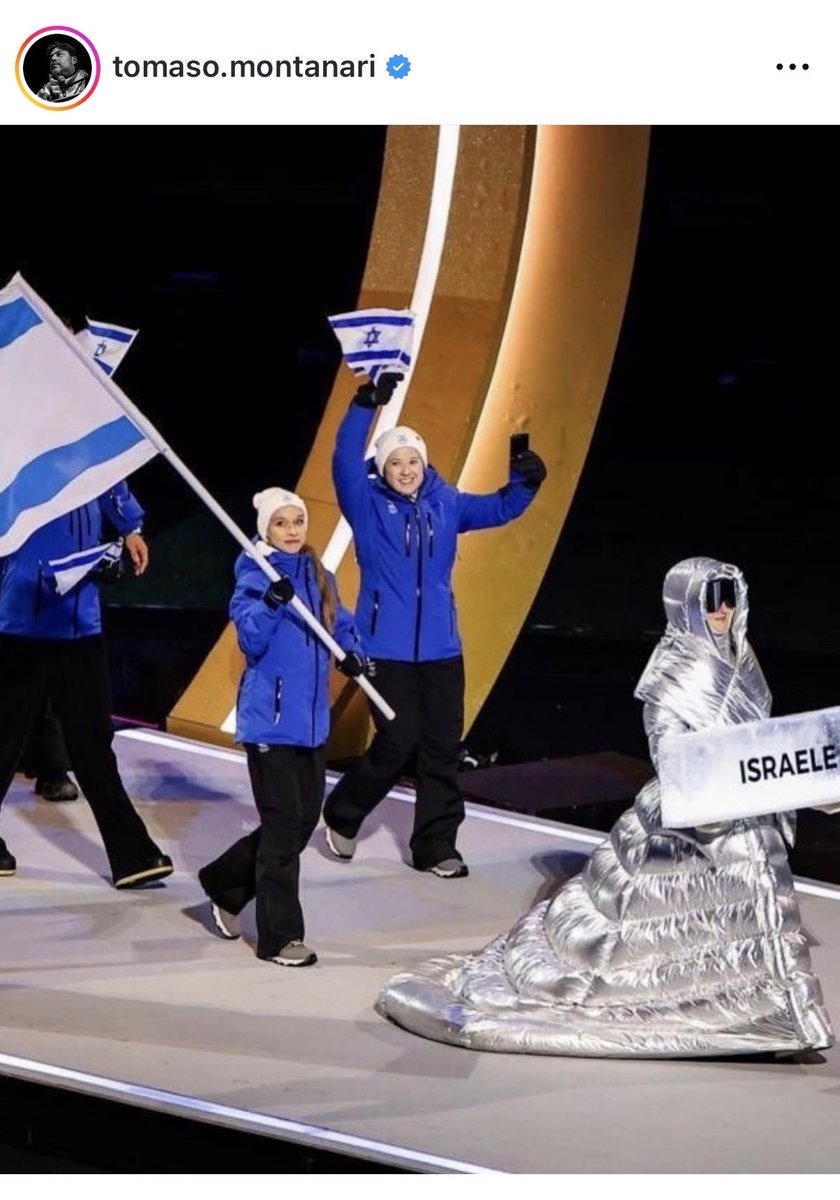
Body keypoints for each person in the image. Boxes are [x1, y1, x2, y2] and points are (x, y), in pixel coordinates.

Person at [375, 556, 835, 1057]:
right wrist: (711, 788)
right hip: (697, 809)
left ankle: (776, 1017)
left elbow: (760, 739)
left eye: (729, 597)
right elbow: (666, 745)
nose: (721, 609)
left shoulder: (742, 659)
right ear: (686, 603)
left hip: (742, 806)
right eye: (711, 598)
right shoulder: (674, 667)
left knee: (756, 908)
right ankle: (755, 1019)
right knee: (687, 925)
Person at [322, 372, 547, 879]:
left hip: (443, 648)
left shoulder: (447, 503)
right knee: (399, 739)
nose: (406, 469)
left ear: (425, 464)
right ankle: (344, 811)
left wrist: (527, 481)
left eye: (413, 460)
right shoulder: (367, 504)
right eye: (396, 462)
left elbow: (500, 507)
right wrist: (364, 405)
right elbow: (342, 460)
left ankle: (436, 845)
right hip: (386, 647)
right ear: (383, 468)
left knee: (444, 745)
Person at [198, 489, 366, 967]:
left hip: (311, 725)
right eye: (281, 524)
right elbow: (251, 639)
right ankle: (279, 938)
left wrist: (352, 651)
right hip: (268, 726)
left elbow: (340, 623)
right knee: (280, 829)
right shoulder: (254, 575)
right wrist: (271, 603)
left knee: (302, 821)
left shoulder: (317, 573)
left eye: (297, 522)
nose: (292, 531)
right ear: (265, 529)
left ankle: (225, 884)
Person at [0, 483, 173, 888]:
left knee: (94, 743)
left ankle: (133, 855)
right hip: (19, 623)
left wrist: (128, 530)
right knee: (4, 740)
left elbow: (108, 474)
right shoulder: (18, 448)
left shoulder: (83, 444)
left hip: (81, 624)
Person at [18, 529, 150, 804]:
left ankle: (54, 768)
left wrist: (129, 532)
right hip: (18, 580)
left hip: (65, 604)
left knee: (62, 688)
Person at [36, 38, 90, 103]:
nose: (53, 58)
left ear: (74, 60)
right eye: (51, 57)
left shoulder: (89, 83)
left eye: (59, 54)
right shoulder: (44, 93)